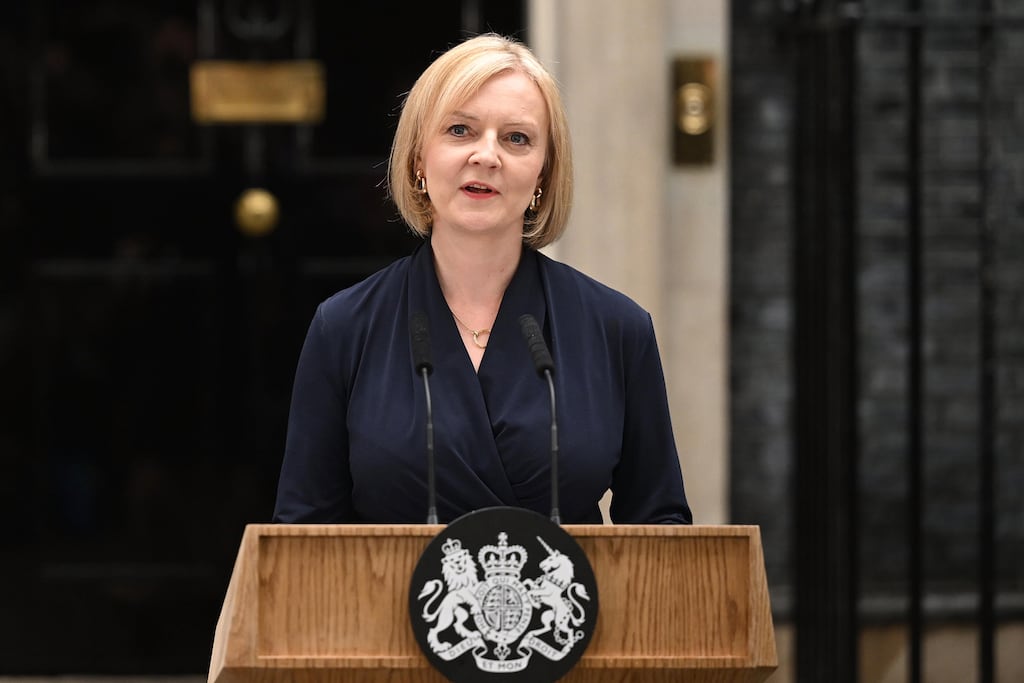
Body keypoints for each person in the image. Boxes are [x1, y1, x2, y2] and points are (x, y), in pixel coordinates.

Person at [272, 33, 691, 525]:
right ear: (417, 161)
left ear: (543, 175)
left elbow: (662, 534)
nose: (487, 156)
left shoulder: (617, 328)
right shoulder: (343, 327)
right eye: (460, 130)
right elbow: (302, 539)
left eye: (517, 138)